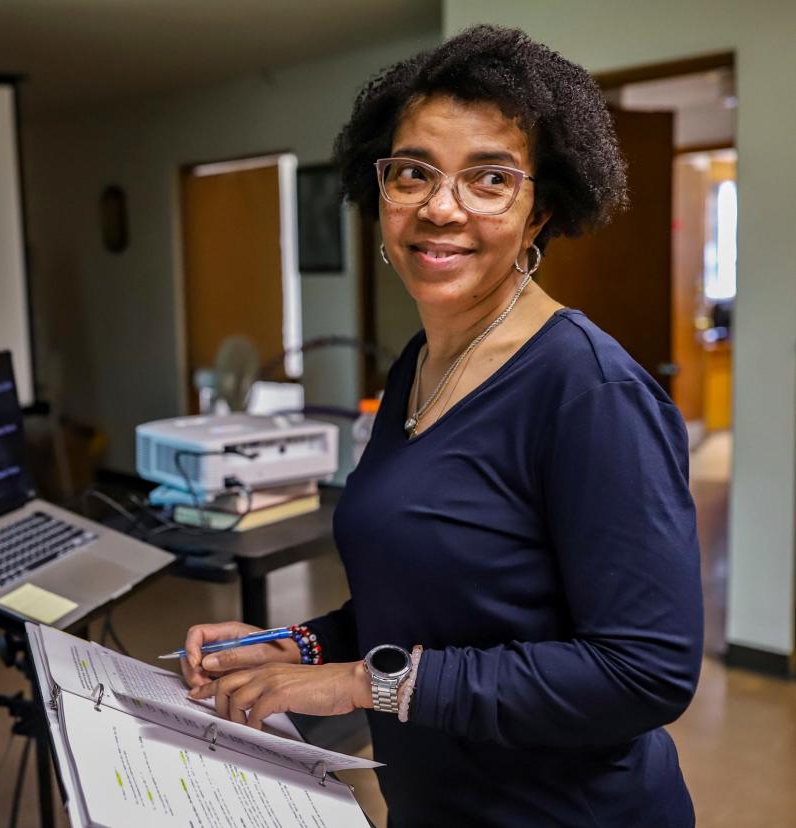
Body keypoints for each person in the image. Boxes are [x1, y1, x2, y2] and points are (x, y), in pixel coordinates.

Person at [180, 25, 702, 827]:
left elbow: (644, 672)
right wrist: (297, 647)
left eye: (489, 178)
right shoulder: (419, 365)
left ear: (539, 215)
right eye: (413, 173)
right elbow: (425, 604)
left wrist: (362, 684)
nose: (440, 207)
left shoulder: (590, 392)